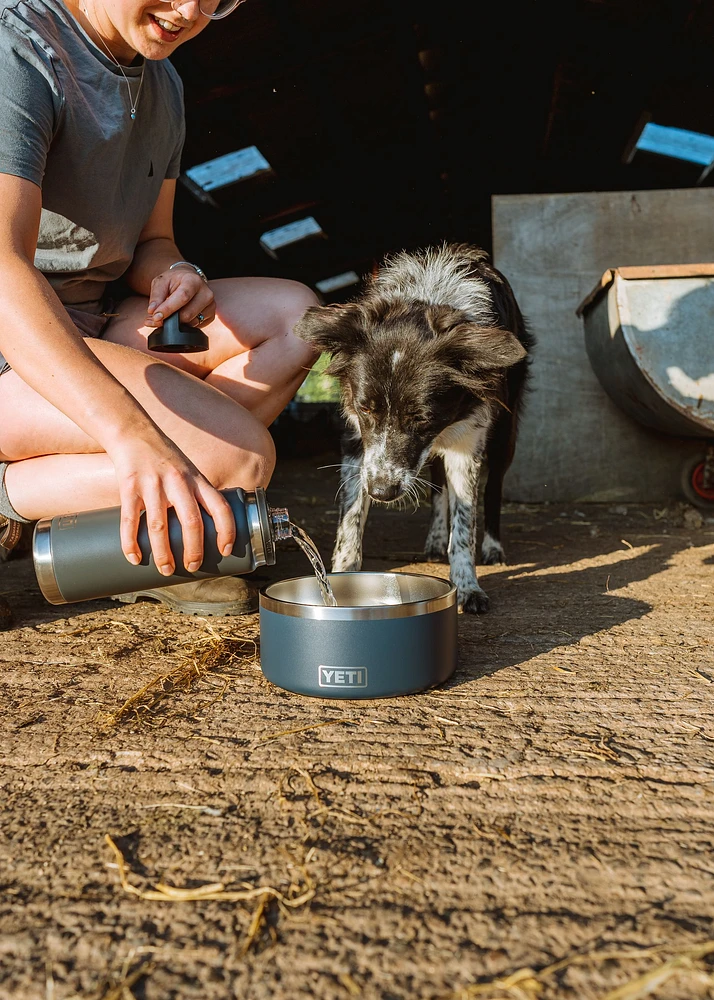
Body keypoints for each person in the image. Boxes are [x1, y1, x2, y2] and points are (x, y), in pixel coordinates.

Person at [0, 0, 319, 615]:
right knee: (239, 459)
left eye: (219, 0)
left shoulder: (163, 81)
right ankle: (14, 497)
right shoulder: (20, 54)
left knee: (298, 319)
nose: (192, 12)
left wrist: (176, 271)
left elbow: (152, 241)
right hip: (14, 338)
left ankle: (145, 526)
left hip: (97, 315)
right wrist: (133, 435)